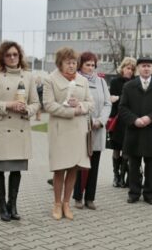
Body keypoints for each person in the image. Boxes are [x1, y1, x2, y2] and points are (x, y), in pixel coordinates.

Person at [0, 41, 40, 221]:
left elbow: (36, 103)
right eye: (8, 55)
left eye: (15, 54)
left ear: (20, 56)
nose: (12, 58)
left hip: (20, 127)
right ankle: (2, 207)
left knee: (16, 169)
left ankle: (12, 205)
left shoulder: (28, 76)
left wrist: (27, 110)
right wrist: (9, 105)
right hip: (1, 129)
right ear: (2, 57)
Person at [42, 47, 93, 220]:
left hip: (78, 130)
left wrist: (80, 106)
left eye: (74, 62)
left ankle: (66, 203)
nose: (71, 66)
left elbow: (90, 103)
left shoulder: (82, 80)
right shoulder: (50, 79)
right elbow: (48, 105)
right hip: (60, 129)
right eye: (68, 62)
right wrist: (71, 111)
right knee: (59, 168)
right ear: (60, 63)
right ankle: (56, 204)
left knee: (73, 168)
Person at [119, 57, 152, 204]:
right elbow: (122, 108)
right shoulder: (129, 86)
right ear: (138, 68)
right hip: (134, 130)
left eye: (149, 66)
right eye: (143, 66)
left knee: (151, 164)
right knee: (134, 164)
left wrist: (150, 118)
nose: (146, 68)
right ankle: (134, 192)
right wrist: (134, 120)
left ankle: (149, 194)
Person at [72, 52, 111, 210]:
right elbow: (74, 103)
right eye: (87, 64)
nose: (90, 68)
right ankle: (78, 197)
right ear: (80, 65)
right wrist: (88, 120)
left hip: (98, 129)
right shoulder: (75, 81)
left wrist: (100, 121)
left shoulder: (101, 82)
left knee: (94, 165)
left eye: (93, 65)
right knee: (81, 165)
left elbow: (108, 104)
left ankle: (90, 198)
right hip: (81, 128)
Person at [108, 57, 137, 188]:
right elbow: (111, 100)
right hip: (117, 119)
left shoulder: (136, 82)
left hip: (129, 120)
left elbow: (132, 101)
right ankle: (116, 176)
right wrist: (120, 98)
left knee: (127, 150)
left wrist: (119, 98)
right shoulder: (115, 81)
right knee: (116, 149)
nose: (129, 71)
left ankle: (123, 177)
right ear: (122, 68)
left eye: (132, 69)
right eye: (127, 68)